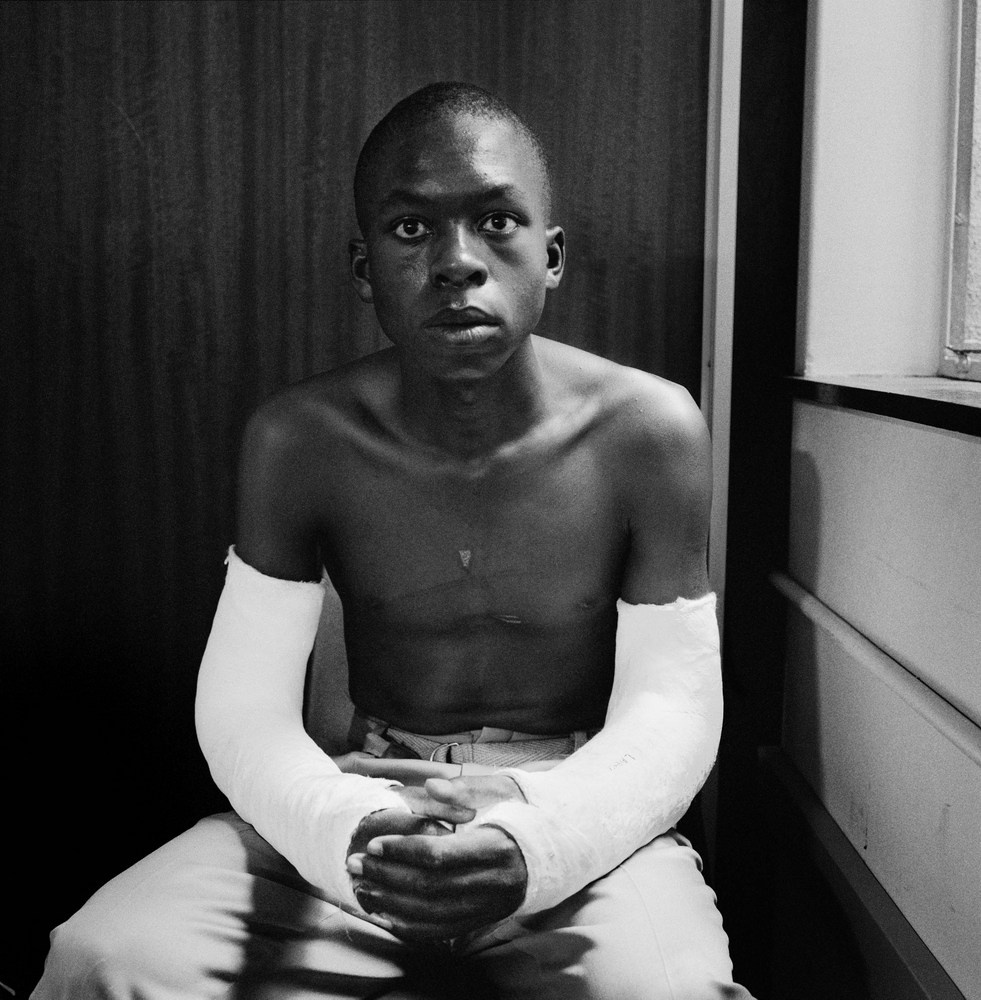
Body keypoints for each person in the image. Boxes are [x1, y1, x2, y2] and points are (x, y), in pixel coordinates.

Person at [32, 82, 754, 999]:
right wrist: (345, 829)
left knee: (670, 993)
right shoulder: (299, 439)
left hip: (581, 809)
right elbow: (241, 708)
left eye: (497, 220)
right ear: (364, 267)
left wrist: (536, 840)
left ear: (552, 254)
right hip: (360, 798)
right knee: (102, 958)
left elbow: (675, 710)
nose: (459, 262)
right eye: (411, 231)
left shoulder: (651, 430)